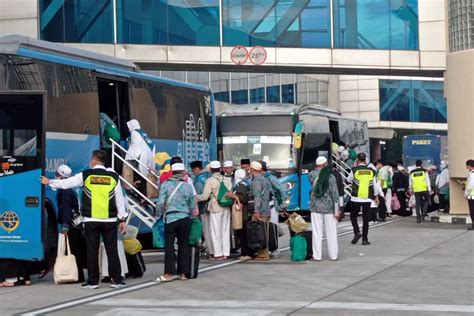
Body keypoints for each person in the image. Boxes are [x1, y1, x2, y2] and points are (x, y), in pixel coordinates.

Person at [41, 150, 128, 289]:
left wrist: (50, 181)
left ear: (93, 161)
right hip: (110, 220)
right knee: (111, 250)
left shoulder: (86, 175)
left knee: (91, 250)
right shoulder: (113, 177)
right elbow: (119, 200)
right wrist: (122, 219)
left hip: (91, 220)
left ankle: (93, 281)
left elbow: (67, 183)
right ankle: (116, 280)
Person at [156, 163, 198, 282]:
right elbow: (192, 204)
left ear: (172, 172)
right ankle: (183, 274)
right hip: (184, 218)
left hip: (170, 218)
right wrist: (190, 213)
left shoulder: (166, 184)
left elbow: (160, 203)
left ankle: (169, 273)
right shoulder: (188, 186)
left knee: (169, 246)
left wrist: (158, 214)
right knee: (183, 245)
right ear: (183, 172)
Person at [55, 164, 86, 283]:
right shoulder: (72, 188)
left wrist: (65, 225)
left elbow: (66, 208)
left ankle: (77, 275)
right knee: (75, 249)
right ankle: (79, 274)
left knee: (74, 250)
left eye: (57, 174)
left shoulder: (64, 191)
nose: (55, 176)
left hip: (71, 224)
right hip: (77, 222)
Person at [195, 161, 232, 260]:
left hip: (215, 208)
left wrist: (194, 197)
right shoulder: (227, 179)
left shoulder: (210, 181)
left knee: (215, 232)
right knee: (225, 231)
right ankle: (226, 253)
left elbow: (205, 196)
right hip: (226, 207)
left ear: (210, 169)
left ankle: (218, 254)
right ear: (221, 169)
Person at [309, 156, 340, 261]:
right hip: (329, 208)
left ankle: (317, 256)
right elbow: (335, 194)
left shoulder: (311, 175)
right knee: (331, 232)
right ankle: (333, 255)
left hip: (315, 207)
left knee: (317, 232)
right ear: (324, 164)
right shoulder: (330, 176)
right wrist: (337, 210)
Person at [346, 153, 378, 245]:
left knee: (353, 216)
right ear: (366, 160)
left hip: (356, 198)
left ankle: (357, 232)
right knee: (365, 219)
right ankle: (365, 239)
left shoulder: (354, 170)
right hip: (367, 198)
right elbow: (374, 185)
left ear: (357, 160)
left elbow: (348, 180)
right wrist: (376, 196)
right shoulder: (371, 171)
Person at [227, 169, 253, 261]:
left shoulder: (241, 185)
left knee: (243, 235)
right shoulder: (245, 183)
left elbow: (243, 198)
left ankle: (246, 253)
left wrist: (233, 196)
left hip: (242, 213)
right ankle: (245, 252)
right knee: (243, 234)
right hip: (244, 212)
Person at [124, 119, 155, 196]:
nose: (128, 129)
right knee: (144, 177)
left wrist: (128, 156)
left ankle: (141, 194)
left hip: (140, 157)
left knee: (140, 176)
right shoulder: (142, 133)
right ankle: (144, 195)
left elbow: (135, 147)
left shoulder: (134, 133)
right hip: (147, 157)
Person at [249, 161, 273, 260]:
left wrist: (256, 211)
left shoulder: (257, 181)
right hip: (267, 209)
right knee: (264, 232)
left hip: (261, 210)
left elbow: (257, 196)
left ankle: (263, 254)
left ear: (252, 169)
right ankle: (264, 253)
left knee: (260, 233)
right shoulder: (264, 179)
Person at [191, 161, 213, 257]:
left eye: (193, 171)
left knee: (205, 229)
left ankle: (208, 248)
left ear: (196, 169)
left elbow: (198, 193)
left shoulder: (199, 179)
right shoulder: (209, 175)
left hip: (203, 207)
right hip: (212, 206)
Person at [464, 159, 474, 230]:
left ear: (469, 166)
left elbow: (470, 186)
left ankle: (473, 226)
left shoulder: (472, 174)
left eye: (467, 166)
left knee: (472, 212)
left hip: (472, 196)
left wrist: (466, 194)